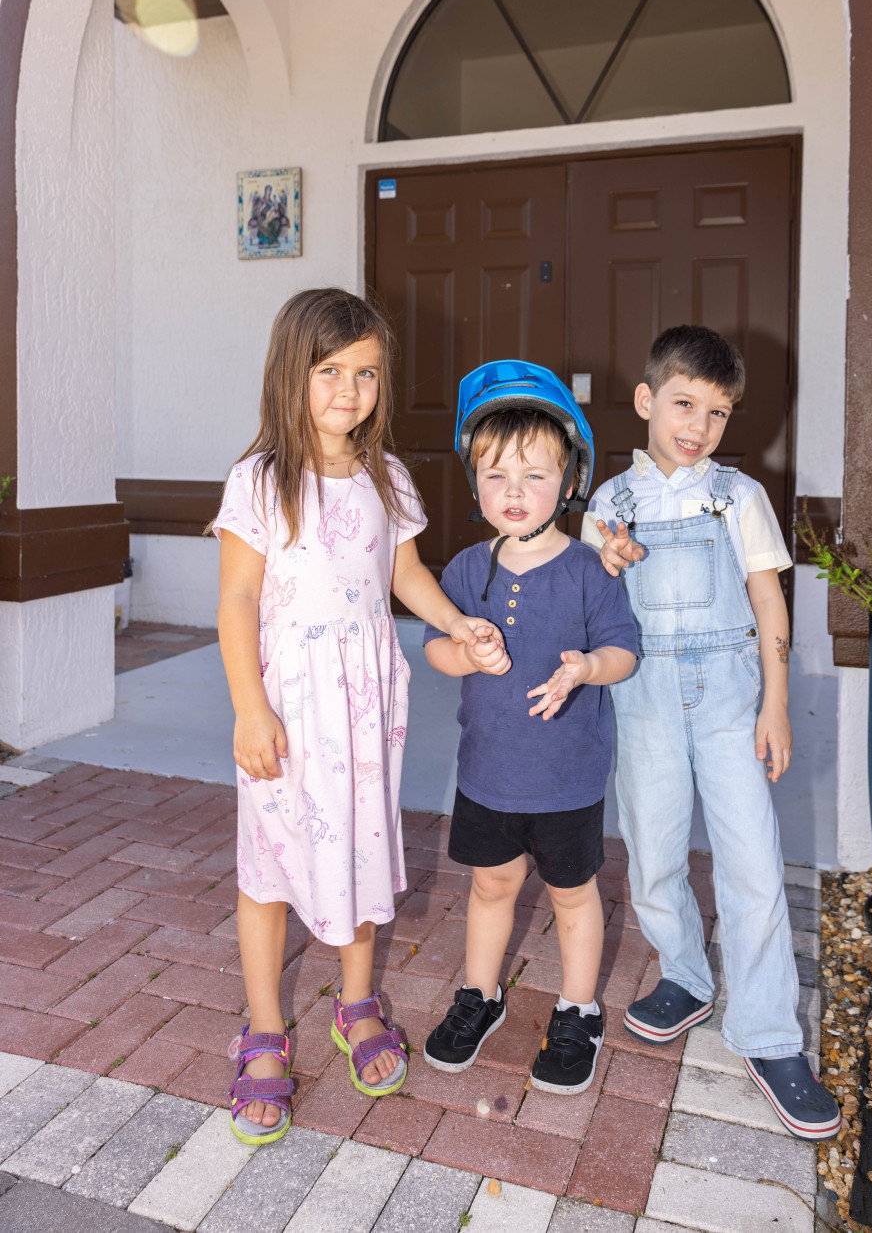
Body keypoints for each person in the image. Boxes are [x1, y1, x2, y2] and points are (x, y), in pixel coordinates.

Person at [212, 288, 506, 1143]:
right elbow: (237, 599)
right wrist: (249, 707)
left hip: (365, 706)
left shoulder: (388, 477)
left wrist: (456, 621)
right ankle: (266, 1027)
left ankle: (355, 1000)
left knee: (362, 847)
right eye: (330, 370)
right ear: (290, 373)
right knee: (269, 866)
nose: (350, 389)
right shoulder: (259, 480)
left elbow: (404, 574)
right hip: (287, 707)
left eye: (367, 373)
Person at [586, 324, 841, 1141]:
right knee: (654, 852)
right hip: (645, 699)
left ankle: (768, 1034)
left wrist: (776, 702)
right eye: (684, 403)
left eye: (718, 411)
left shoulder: (739, 495)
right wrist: (606, 560)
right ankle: (686, 975)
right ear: (646, 400)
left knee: (752, 860)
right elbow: (593, 598)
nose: (698, 425)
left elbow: (769, 600)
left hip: (731, 695)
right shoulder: (609, 503)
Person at [421, 362, 638, 1094]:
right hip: (488, 772)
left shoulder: (590, 570)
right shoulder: (464, 569)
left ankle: (578, 1010)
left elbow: (624, 652)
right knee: (491, 886)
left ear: (570, 480)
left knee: (574, 893)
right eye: (496, 475)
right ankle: (480, 994)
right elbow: (436, 648)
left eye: (534, 475)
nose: (514, 491)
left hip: (567, 777)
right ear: (475, 484)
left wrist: (586, 667)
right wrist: (464, 652)